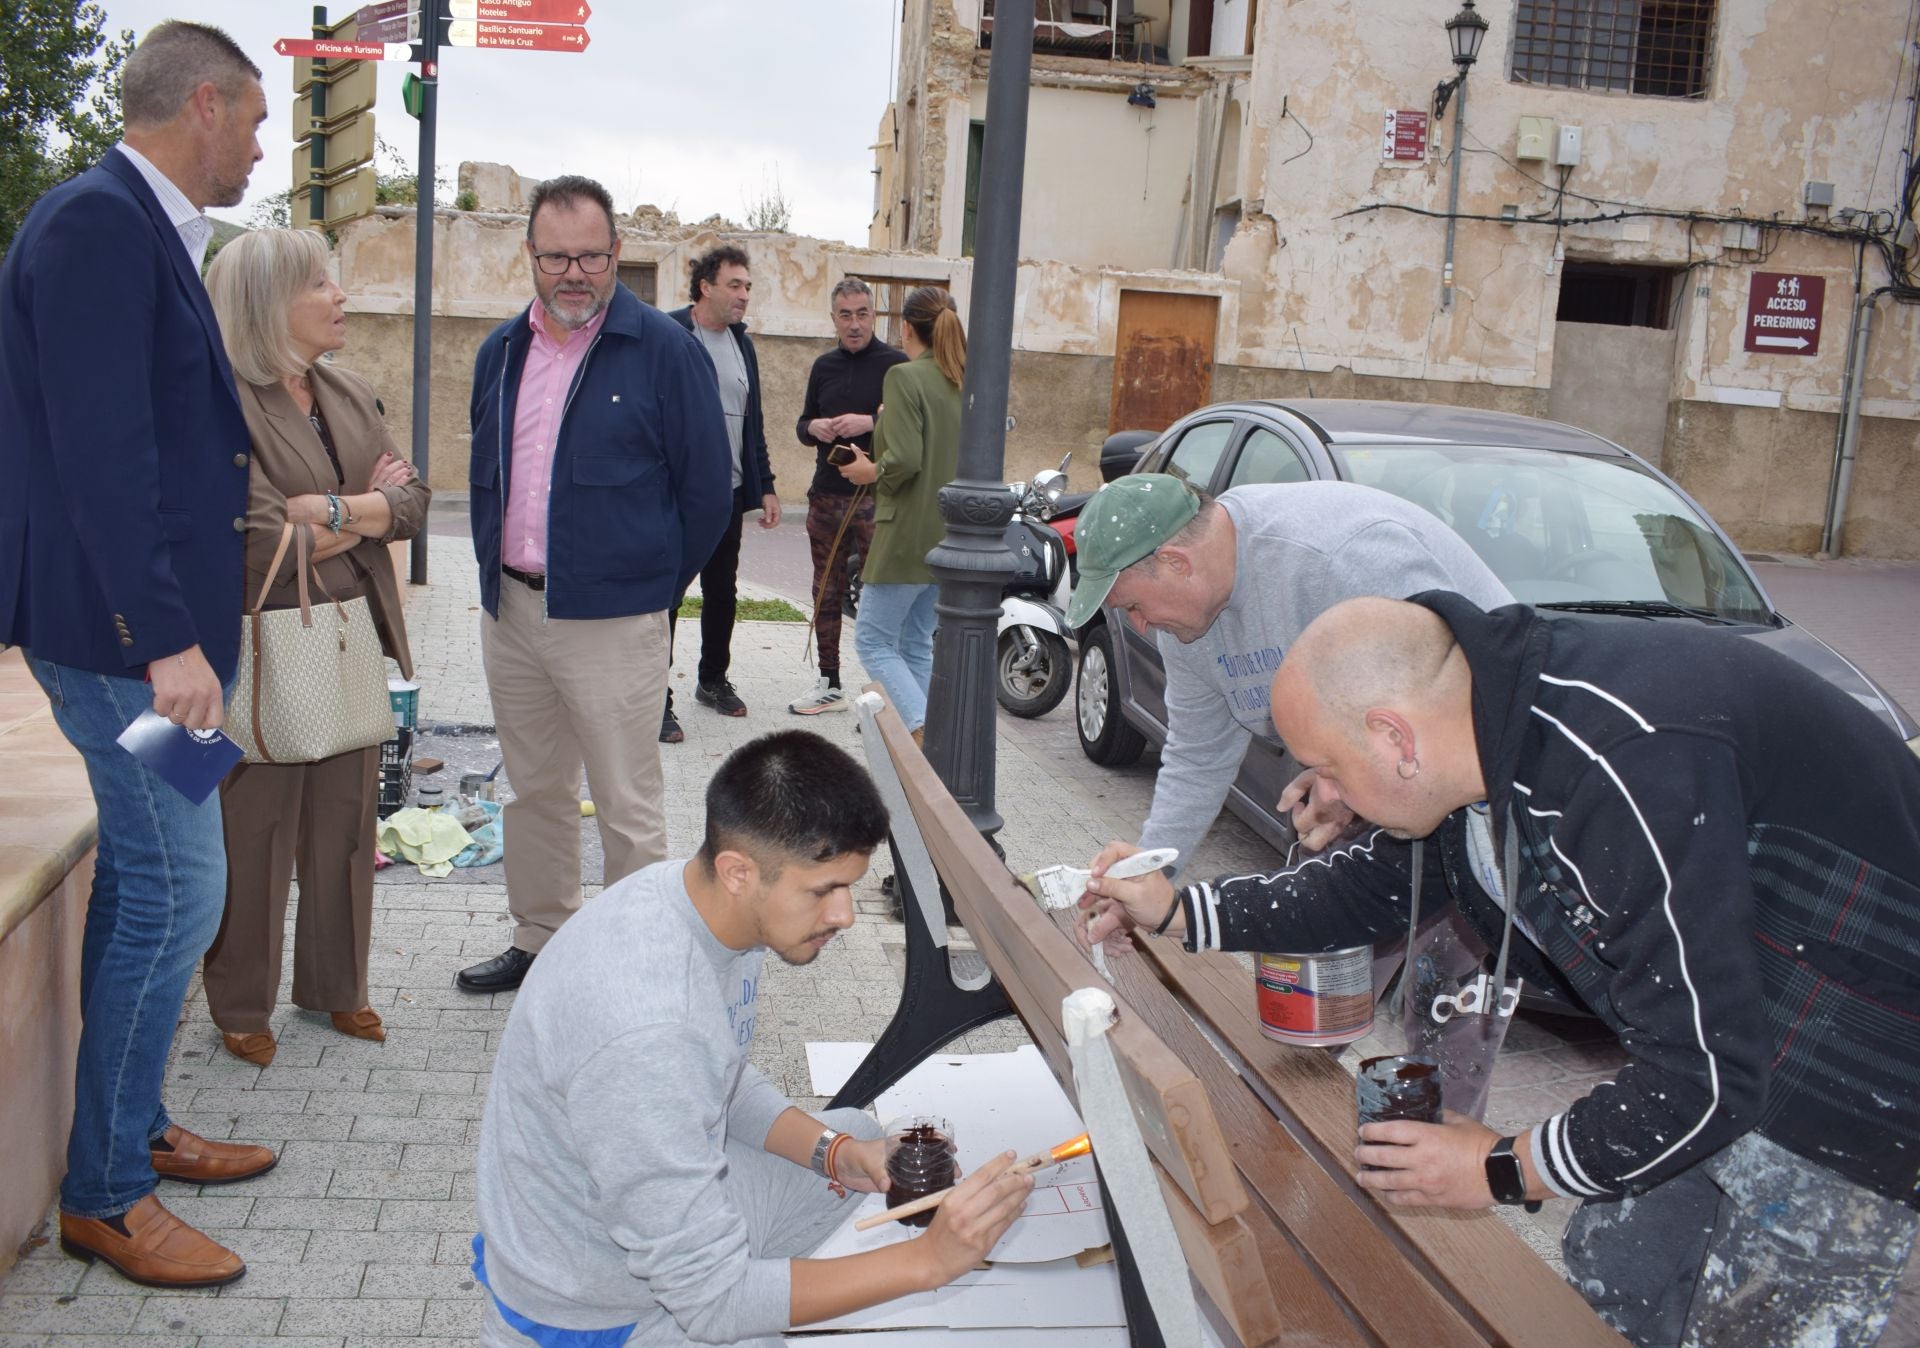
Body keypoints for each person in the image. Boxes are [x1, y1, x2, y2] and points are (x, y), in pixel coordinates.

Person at [1082, 594, 1920, 1348]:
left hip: (1857, 1078)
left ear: (1394, 738)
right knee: (1613, 1279)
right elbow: (1371, 883)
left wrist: (1497, 1166)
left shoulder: (1620, 761)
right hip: (1721, 1030)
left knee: (1757, 1328)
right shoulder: (1484, 736)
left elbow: (1705, 1080)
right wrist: (1179, 910)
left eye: (1329, 768)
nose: (1324, 798)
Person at [0, 21, 277, 1288]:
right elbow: (102, 457)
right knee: (181, 889)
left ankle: (133, 1127)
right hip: (125, 643)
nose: (265, 144)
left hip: (149, 644)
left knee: (155, 883)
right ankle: (104, 1194)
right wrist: (167, 640)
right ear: (205, 105)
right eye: (260, 119)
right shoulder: (98, 226)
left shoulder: (129, 226)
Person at [472, 730, 1034, 1345]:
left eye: (850, 886)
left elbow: (724, 1078)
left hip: (618, 1208)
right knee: (752, 1325)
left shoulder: (703, 904)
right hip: (593, 1305)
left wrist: (838, 1154)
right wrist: (930, 1261)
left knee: (864, 1137)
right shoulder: (649, 1029)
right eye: (824, 890)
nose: (846, 915)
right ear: (738, 871)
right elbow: (716, 1305)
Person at [461, 175, 731, 995]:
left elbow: (708, 492)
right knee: (534, 787)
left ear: (617, 255)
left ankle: (635, 963)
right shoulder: (500, 352)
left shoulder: (664, 350)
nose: (573, 273)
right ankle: (542, 938)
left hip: (615, 622)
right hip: (510, 610)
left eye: (590, 256)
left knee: (625, 801)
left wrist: (648, 583)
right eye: (555, 257)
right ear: (530, 256)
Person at [200, 228, 431, 1066]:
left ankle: (339, 990)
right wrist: (365, 514)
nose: (341, 297)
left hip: (348, 637)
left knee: (343, 829)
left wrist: (330, 512)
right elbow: (258, 540)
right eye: (321, 284)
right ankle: (240, 1004)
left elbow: (413, 503)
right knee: (253, 833)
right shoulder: (220, 401)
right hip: (259, 647)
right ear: (268, 304)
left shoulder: (349, 390)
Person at [1064, 474, 1511, 867]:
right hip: (1386, 794)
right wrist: (1147, 873)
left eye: (1135, 606)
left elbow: (1456, 692)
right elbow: (1198, 757)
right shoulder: (1185, 627)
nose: (1140, 626)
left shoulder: (1338, 556)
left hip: (1503, 786)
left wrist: (1346, 778)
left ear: (1178, 563)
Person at [658, 244, 780, 741]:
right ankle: (654, 698)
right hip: (676, 495)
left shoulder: (741, 344)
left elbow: (754, 423)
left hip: (727, 494)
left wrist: (765, 485)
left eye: (747, 286)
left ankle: (711, 680)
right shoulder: (668, 334)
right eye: (735, 284)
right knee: (666, 596)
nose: (743, 295)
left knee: (722, 592)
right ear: (705, 286)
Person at [837, 286, 965, 741]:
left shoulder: (904, 377)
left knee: (871, 640)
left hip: (906, 532)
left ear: (907, 328)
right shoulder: (961, 382)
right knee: (914, 643)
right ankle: (939, 743)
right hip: (950, 535)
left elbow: (906, 460)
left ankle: (920, 731)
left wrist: (872, 470)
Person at [788, 277, 908, 716]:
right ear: (833, 318)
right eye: (845, 315)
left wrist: (871, 424)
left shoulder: (897, 365)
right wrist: (813, 428)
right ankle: (829, 680)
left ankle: (884, 694)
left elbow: (911, 429)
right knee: (826, 590)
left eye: (861, 313)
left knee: (881, 592)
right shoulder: (824, 366)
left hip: (878, 496)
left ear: (873, 315)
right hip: (826, 496)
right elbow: (803, 424)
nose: (854, 323)